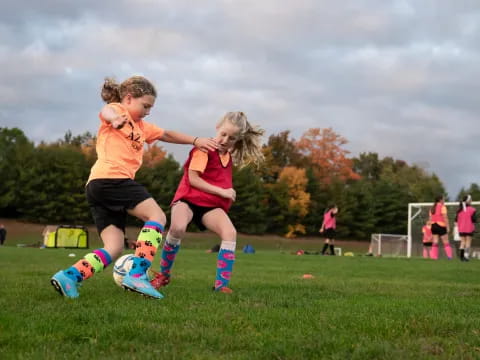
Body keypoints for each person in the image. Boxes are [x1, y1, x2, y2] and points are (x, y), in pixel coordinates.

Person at [50, 76, 218, 299]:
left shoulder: (142, 127)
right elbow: (107, 112)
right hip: (112, 179)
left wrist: (195, 140)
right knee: (157, 216)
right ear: (129, 99)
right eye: (145, 106)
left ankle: (69, 277)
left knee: (115, 246)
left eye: (151, 108)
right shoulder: (118, 110)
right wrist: (116, 120)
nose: (148, 111)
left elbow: (166, 134)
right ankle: (138, 276)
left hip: (98, 186)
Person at [149, 111, 264, 293]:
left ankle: (221, 286)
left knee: (230, 233)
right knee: (177, 228)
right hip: (188, 199)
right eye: (223, 134)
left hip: (210, 206)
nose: (225, 140)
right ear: (217, 128)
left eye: (232, 138)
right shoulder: (204, 149)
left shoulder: (228, 154)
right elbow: (194, 179)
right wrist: (223, 191)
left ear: (237, 140)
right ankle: (163, 275)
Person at [429, 195, 452, 260]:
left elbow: (430, 218)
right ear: (440, 200)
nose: (444, 201)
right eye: (443, 199)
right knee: (446, 242)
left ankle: (434, 257)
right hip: (441, 225)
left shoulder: (432, 208)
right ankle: (449, 257)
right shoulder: (443, 207)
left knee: (435, 242)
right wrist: (448, 226)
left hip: (433, 225)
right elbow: (445, 217)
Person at [455, 195, 476, 262]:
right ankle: (466, 257)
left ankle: (461, 257)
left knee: (462, 242)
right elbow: (474, 220)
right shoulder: (472, 210)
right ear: (468, 201)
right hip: (469, 228)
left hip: (461, 229)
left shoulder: (459, 210)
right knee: (468, 242)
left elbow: (456, 220)